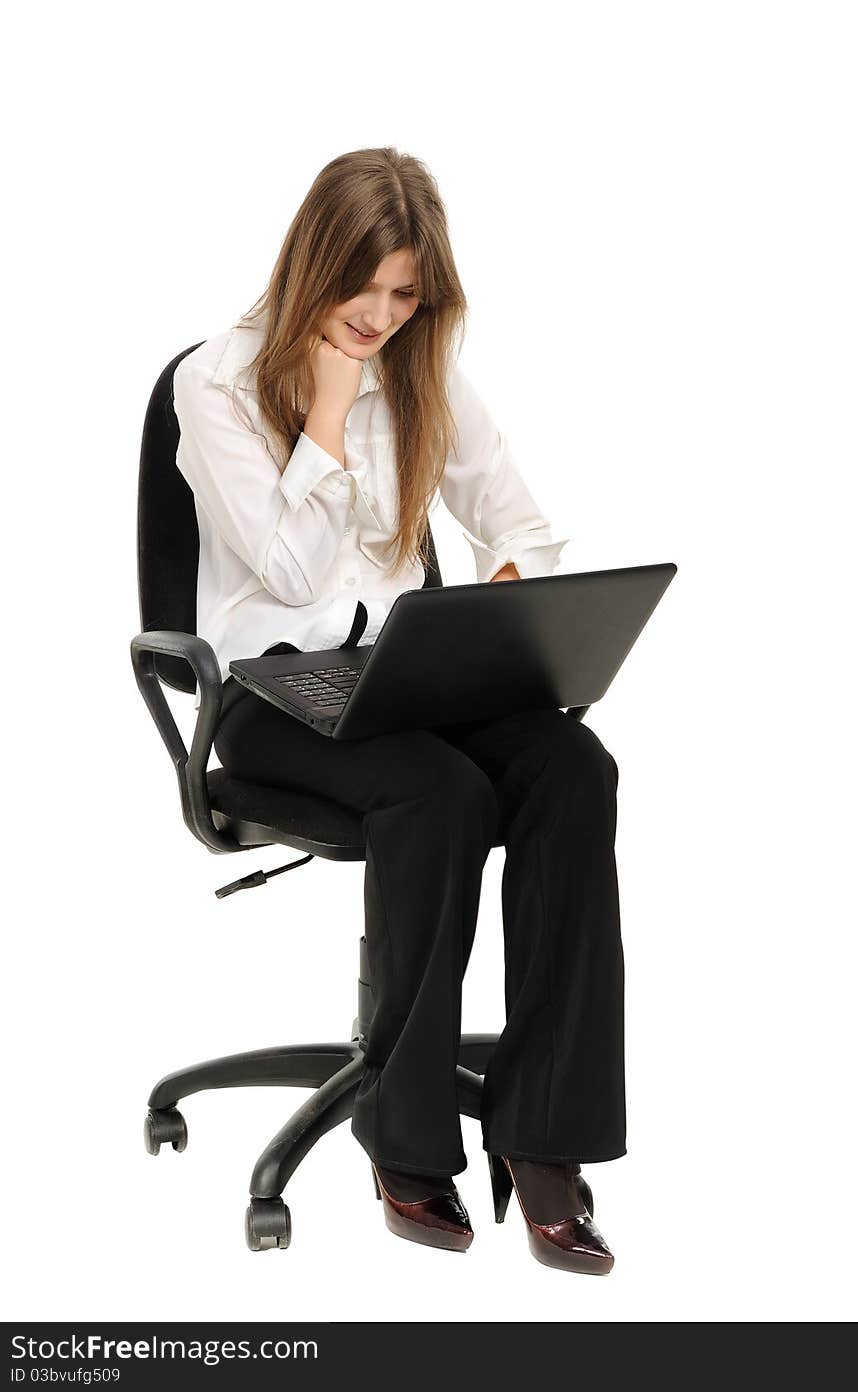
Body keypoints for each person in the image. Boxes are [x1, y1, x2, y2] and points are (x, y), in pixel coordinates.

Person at [172, 147, 625, 1275]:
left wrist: (515, 600)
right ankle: (406, 1134)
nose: (382, 316)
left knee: (575, 768)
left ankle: (544, 1135)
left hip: (406, 677)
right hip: (271, 694)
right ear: (314, 263)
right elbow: (285, 575)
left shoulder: (422, 371)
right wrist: (326, 412)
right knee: (438, 790)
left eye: (407, 293)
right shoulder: (219, 383)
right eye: (363, 288)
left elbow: (519, 521)